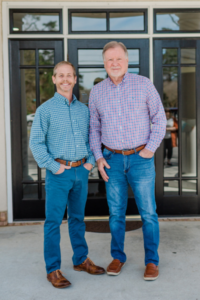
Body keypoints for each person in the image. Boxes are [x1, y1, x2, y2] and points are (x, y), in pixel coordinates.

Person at [89, 41, 166, 281]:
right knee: (115, 213)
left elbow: (160, 119)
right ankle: (118, 256)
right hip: (112, 159)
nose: (114, 63)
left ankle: (152, 261)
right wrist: (99, 157)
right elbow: (94, 129)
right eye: (109, 60)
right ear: (104, 63)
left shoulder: (143, 84)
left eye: (118, 59)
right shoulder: (97, 91)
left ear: (126, 61)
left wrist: (149, 150)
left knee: (148, 212)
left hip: (141, 159)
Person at [30, 61, 105, 289]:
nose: (65, 79)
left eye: (69, 75)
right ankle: (52, 269)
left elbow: (91, 140)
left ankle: (80, 260)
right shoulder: (45, 110)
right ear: (54, 79)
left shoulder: (84, 110)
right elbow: (36, 143)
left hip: (81, 172)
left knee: (77, 219)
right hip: (59, 173)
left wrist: (89, 163)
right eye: (60, 75)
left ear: (74, 79)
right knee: (53, 222)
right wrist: (55, 167)